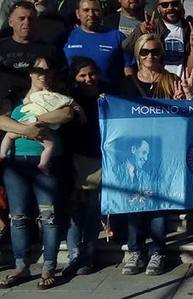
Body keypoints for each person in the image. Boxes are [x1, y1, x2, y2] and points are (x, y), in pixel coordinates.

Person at [0, 56, 74, 290]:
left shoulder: (58, 97)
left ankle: (48, 267)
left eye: (47, 70)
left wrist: (33, 119)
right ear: (30, 73)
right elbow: (1, 121)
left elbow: (66, 115)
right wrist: (28, 130)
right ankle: (21, 266)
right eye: (37, 70)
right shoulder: (15, 97)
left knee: (48, 217)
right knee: (18, 217)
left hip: (46, 164)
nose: (42, 74)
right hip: (16, 163)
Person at [61, 57, 103, 276]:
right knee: (75, 210)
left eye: (92, 74)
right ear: (75, 77)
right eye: (82, 75)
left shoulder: (107, 97)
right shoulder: (68, 100)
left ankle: (88, 254)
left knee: (93, 211)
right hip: (75, 161)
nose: (88, 79)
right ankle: (73, 256)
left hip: (99, 160)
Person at [0, 76, 71, 173]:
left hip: (32, 123)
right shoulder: (58, 99)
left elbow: (68, 113)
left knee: (9, 136)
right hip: (38, 127)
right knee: (49, 146)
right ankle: (43, 164)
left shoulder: (37, 96)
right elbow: (71, 103)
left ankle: (2, 153)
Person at [63, 0, 135, 92]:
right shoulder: (67, 36)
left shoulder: (117, 36)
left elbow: (129, 69)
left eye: (95, 10)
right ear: (77, 13)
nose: (91, 14)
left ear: (102, 12)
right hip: (74, 97)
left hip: (110, 97)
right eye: (86, 10)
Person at [128, 0, 193, 77]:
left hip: (181, 84)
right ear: (158, 8)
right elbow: (126, 48)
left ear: (180, 5)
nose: (170, 8)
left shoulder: (191, 29)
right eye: (165, 5)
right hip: (157, 81)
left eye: (174, 4)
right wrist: (141, 31)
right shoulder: (151, 26)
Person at [0, 2, 60, 103]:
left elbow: (56, 80)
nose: (26, 22)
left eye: (30, 19)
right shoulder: (1, 46)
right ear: (10, 22)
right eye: (21, 18)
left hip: (38, 105)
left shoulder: (48, 50)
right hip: (4, 106)